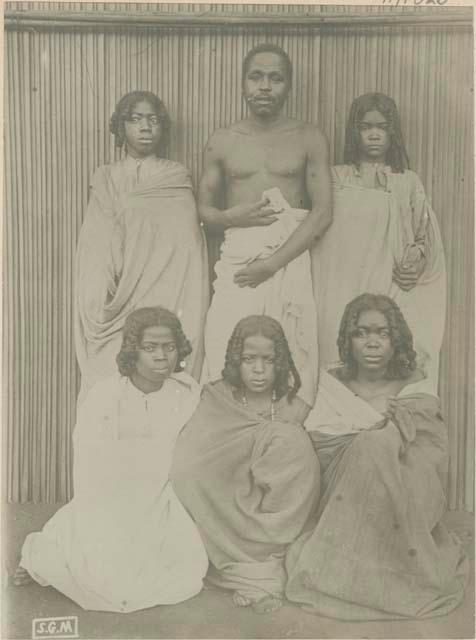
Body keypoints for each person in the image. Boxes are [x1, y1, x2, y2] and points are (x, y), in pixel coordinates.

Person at [285, 294, 468, 620]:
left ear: (395, 340)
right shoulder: (330, 383)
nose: (372, 343)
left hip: (400, 492)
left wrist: (397, 432)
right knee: (372, 446)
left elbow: (432, 456)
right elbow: (319, 445)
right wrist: (372, 440)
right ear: (347, 339)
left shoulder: (414, 385)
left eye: (382, 334)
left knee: (377, 445)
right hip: (341, 492)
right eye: (361, 333)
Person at [13, 307, 208, 613]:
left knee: (184, 573)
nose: (161, 357)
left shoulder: (186, 393)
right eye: (150, 348)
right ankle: (41, 557)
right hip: (110, 495)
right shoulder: (106, 395)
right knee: (107, 579)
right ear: (133, 350)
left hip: (165, 495)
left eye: (169, 347)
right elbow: (91, 462)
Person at [199, 43, 332, 408]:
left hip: (288, 259)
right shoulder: (222, 140)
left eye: (276, 78)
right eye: (256, 76)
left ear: (288, 86)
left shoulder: (308, 137)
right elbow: (203, 211)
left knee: (289, 352)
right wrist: (231, 218)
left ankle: (282, 439)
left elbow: (322, 213)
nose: (265, 86)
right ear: (243, 83)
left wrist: (272, 264)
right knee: (226, 344)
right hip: (238, 263)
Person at [171, 315, 320, 614]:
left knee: (295, 443)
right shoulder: (216, 398)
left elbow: (296, 476)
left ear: (280, 362)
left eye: (268, 359)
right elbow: (192, 460)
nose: (259, 369)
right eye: (249, 359)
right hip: (221, 505)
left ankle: (256, 566)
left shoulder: (295, 405)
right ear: (236, 360)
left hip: (270, 516)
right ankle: (250, 571)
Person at [75, 90, 209, 401]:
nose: (145, 127)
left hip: (165, 289)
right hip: (117, 295)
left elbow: (185, 247)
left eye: (152, 120)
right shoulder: (106, 177)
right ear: (120, 128)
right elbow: (96, 240)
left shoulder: (175, 176)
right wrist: (104, 290)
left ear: (163, 127)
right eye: (135, 119)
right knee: (111, 382)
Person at [315, 93, 446, 392]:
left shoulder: (408, 181)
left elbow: (424, 232)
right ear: (354, 132)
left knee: (388, 354)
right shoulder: (337, 178)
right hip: (342, 282)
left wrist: (417, 263)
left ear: (392, 133)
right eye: (365, 126)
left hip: (391, 284)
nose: (374, 134)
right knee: (340, 350)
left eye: (382, 127)